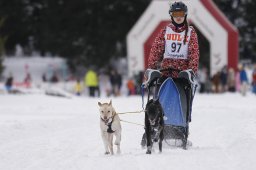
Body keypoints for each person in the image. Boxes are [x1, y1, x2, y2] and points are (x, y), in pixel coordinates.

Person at [141, 1, 199, 148]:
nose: (178, 17)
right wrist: (151, 68)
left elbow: (194, 54)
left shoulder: (191, 33)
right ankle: (153, 129)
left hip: (182, 75)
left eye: (181, 14)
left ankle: (183, 130)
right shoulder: (165, 31)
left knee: (183, 102)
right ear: (171, 16)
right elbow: (156, 50)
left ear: (185, 15)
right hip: (166, 72)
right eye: (175, 14)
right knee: (159, 101)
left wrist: (191, 70)